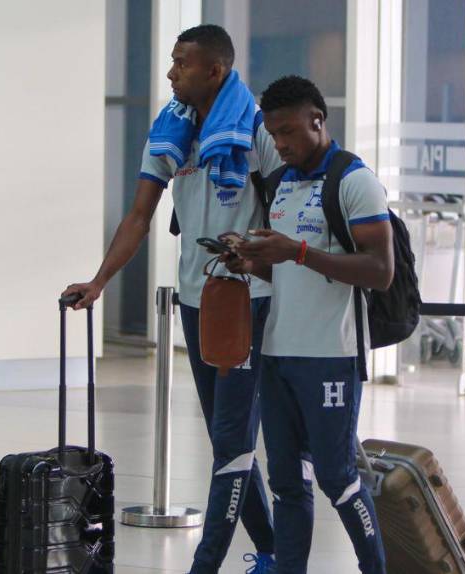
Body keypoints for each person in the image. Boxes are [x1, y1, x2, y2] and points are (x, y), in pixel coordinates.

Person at [61, 25, 278, 574]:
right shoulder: (171, 130)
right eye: (173, 60)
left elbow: (285, 212)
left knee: (231, 440)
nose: (171, 72)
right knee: (227, 441)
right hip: (196, 299)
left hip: (249, 299)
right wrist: (100, 281)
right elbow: (140, 216)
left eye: (183, 63)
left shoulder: (257, 131)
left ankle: (207, 564)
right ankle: (274, 553)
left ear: (215, 71)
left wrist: (260, 256)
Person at [229, 75, 390, 574]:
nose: (279, 144)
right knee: (286, 482)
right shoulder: (280, 182)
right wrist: (250, 262)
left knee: (337, 477)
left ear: (317, 121)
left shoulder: (355, 180)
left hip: (330, 356)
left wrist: (297, 251)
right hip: (277, 352)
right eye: (272, 134)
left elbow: (380, 271)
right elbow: (284, 269)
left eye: (287, 132)